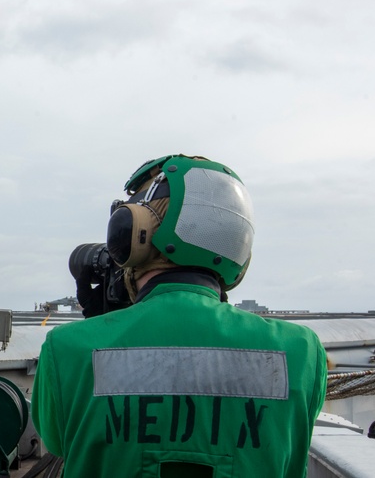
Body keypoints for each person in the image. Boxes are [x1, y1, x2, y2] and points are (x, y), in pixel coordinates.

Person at [32, 154, 327, 478]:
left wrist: (99, 329)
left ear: (131, 232)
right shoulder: (301, 352)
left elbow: (61, 443)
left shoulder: (66, 349)